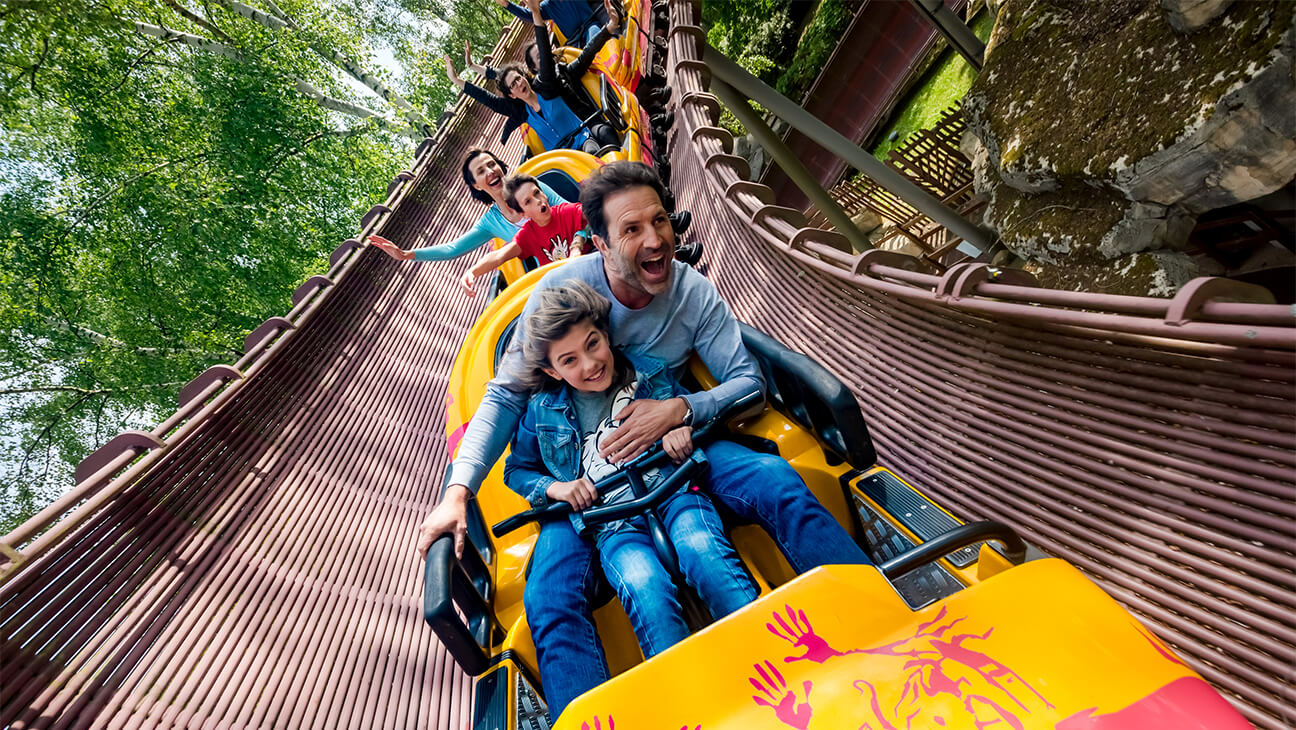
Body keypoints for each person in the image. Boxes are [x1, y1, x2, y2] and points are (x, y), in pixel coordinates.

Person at [415, 161, 871, 720]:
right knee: (548, 600)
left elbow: (746, 381)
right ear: (599, 245)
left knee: (778, 481)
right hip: (587, 488)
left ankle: (871, 624)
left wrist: (681, 407)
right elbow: (506, 398)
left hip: (675, 450)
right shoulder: (560, 296)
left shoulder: (692, 292)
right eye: (632, 230)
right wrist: (460, 492)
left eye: (660, 221)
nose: (655, 240)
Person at [503, 282, 758, 658]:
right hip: (612, 521)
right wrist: (557, 488)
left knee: (703, 551)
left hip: (673, 490)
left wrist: (679, 431)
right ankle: (683, 693)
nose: (589, 365)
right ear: (552, 370)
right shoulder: (541, 411)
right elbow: (517, 470)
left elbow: (679, 413)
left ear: (606, 334)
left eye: (592, 344)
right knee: (644, 585)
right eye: (569, 360)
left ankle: (764, 645)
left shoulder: (648, 372)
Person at [445, 0, 618, 155]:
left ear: (526, 76)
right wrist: (457, 80)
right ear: (511, 94)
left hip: (583, 138)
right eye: (513, 84)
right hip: (562, 159)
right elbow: (489, 99)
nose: (519, 82)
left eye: (519, 78)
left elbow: (546, 49)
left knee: (593, 151)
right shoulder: (520, 111)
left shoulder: (546, 85)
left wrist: (536, 14)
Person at [367, 148, 566, 263]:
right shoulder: (491, 222)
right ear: (476, 184)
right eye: (481, 171)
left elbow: (569, 210)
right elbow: (452, 249)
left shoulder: (530, 187)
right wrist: (407, 254)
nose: (490, 171)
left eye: (491, 164)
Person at [459, 174, 588, 297]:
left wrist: (579, 242)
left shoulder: (566, 212)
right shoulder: (528, 234)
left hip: (587, 275)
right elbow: (499, 256)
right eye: (528, 202)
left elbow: (595, 210)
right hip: (562, 289)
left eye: (537, 193)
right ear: (523, 214)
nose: (538, 201)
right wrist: (473, 272)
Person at [494, 0, 606, 46]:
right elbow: (530, 16)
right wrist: (507, 5)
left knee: (594, 39)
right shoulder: (547, 6)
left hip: (589, 26)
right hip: (573, 40)